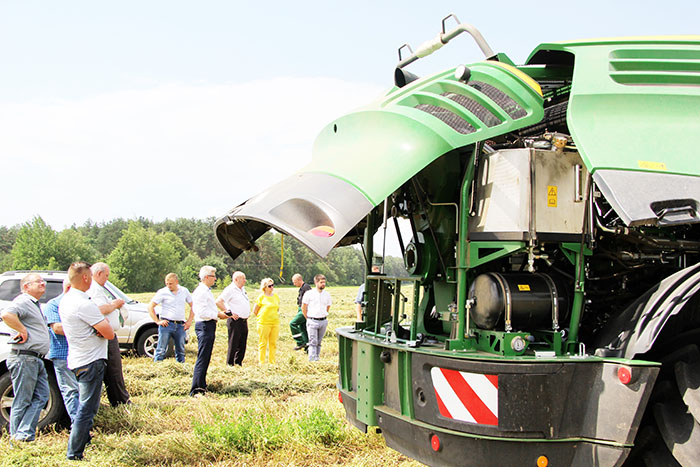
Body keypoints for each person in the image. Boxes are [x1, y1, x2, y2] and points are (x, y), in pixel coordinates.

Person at [60, 261, 115, 460]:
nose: (91, 280)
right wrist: (102, 326)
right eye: (90, 276)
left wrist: (98, 328)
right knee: (86, 409)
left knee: (85, 406)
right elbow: (109, 333)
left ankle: (80, 445)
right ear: (85, 277)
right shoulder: (84, 303)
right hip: (91, 360)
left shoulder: (66, 300)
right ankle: (74, 453)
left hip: (77, 358)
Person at [0, 273, 50, 442]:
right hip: (24, 357)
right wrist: (22, 330)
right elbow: (7, 314)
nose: (43, 284)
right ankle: (17, 438)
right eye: (38, 281)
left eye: (43, 281)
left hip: (36, 358)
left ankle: (24, 433)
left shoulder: (34, 304)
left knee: (42, 395)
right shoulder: (23, 301)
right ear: (26, 286)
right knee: (22, 399)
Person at [87, 262, 130, 407]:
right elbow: (98, 309)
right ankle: (120, 401)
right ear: (99, 273)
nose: (107, 279)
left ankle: (118, 399)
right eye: (106, 276)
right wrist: (115, 304)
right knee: (113, 369)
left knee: (113, 369)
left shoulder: (97, 288)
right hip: (104, 335)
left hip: (106, 334)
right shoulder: (94, 289)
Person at [43, 278, 79, 424]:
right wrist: (83, 328)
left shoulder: (81, 304)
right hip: (63, 354)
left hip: (82, 354)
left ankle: (82, 422)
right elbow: (57, 328)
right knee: (71, 390)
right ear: (70, 288)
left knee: (82, 391)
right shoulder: (53, 305)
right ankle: (78, 425)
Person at [190, 266, 229, 396]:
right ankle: (196, 389)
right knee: (202, 357)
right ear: (206, 277)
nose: (215, 278)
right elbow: (201, 312)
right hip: (204, 325)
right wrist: (218, 314)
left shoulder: (206, 291)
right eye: (213, 276)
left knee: (205, 357)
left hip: (208, 325)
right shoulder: (201, 292)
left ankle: (202, 385)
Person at [148, 273, 194, 363]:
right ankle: (158, 365)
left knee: (180, 350)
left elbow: (193, 306)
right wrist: (157, 321)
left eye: (171, 284)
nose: (169, 286)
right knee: (161, 349)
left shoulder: (184, 291)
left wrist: (189, 321)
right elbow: (150, 306)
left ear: (177, 282)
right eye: (167, 283)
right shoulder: (162, 292)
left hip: (180, 325)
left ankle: (181, 366)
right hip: (167, 324)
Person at [216, 271, 250, 366]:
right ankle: (230, 364)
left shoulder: (242, 289)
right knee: (233, 343)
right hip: (235, 321)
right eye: (243, 279)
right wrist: (229, 313)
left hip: (243, 320)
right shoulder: (230, 289)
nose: (245, 280)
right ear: (236, 279)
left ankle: (238, 363)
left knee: (242, 343)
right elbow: (219, 301)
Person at [302, 274, 332, 362]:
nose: (323, 284)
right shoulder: (309, 294)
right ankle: (312, 360)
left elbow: (328, 306)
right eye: (321, 282)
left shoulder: (327, 295)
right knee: (313, 342)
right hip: (312, 320)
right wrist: (307, 318)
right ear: (316, 282)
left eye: (324, 282)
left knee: (319, 342)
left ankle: (317, 358)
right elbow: (304, 307)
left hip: (323, 321)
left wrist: (323, 314)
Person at [252, 278, 280, 364]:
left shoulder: (276, 296)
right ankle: (262, 362)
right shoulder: (261, 297)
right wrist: (261, 318)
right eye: (269, 286)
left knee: (273, 343)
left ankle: (272, 362)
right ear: (264, 287)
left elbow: (277, 309)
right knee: (263, 343)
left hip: (275, 323)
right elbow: (255, 310)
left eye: (272, 285)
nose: (272, 287)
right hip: (264, 323)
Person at [289, 274, 311, 351]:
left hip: (305, 310)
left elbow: (309, 300)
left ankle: (300, 342)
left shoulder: (306, 288)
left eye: (295, 282)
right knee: (303, 328)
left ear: (299, 280)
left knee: (293, 323)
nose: (294, 284)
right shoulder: (302, 288)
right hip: (301, 309)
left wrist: (305, 311)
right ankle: (308, 347)